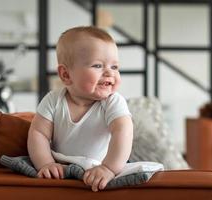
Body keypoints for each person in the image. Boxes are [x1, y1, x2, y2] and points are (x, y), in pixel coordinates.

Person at [27, 26, 133, 192]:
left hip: (99, 165)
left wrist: (109, 168)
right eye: (98, 66)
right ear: (66, 75)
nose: (109, 73)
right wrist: (46, 163)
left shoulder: (112, 102)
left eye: (114, 67)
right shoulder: (53, 100)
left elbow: (123, 132)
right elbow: (38, 134)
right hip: (62, 166)